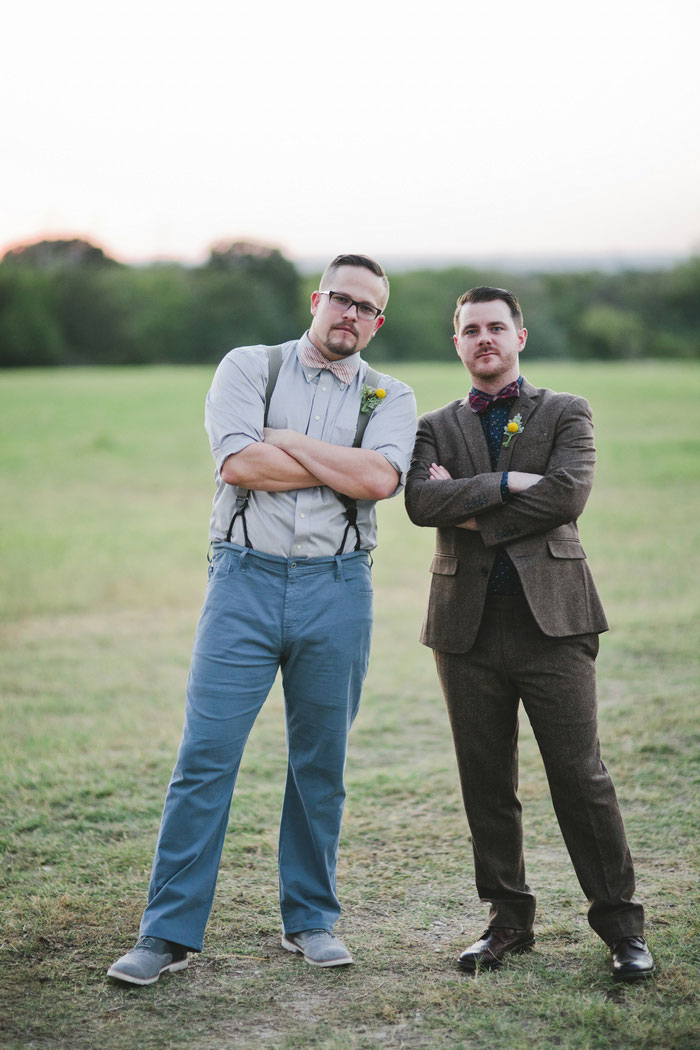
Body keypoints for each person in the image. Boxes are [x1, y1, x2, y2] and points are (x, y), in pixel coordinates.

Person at [108, 254, 417, 985]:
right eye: (340, 297)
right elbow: (240, 466)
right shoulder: (250, 366)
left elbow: (382, 481)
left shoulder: (390, 395)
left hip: (340, 588)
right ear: (317, 298)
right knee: (205, 756)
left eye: (365, 306)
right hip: (242, 582)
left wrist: (288, 443)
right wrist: (338, 462)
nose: (349, 313)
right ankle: (167, 933)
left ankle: (310, 919)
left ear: (379, 321)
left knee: (321, 764)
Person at [404, 286, 654, 982]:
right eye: (471, 329)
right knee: (486, 782)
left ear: (520, 336)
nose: (484, 338)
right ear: (456, 343)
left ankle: (621, 928)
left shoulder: (568, 411)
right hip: (465, 629)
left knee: (581, 777)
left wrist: (474, 503)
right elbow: (420, 502)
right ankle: (508, 922)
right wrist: (513, 480)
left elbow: (568, 493)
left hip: (556, 622)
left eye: (496, 327)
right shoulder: (432, 425)